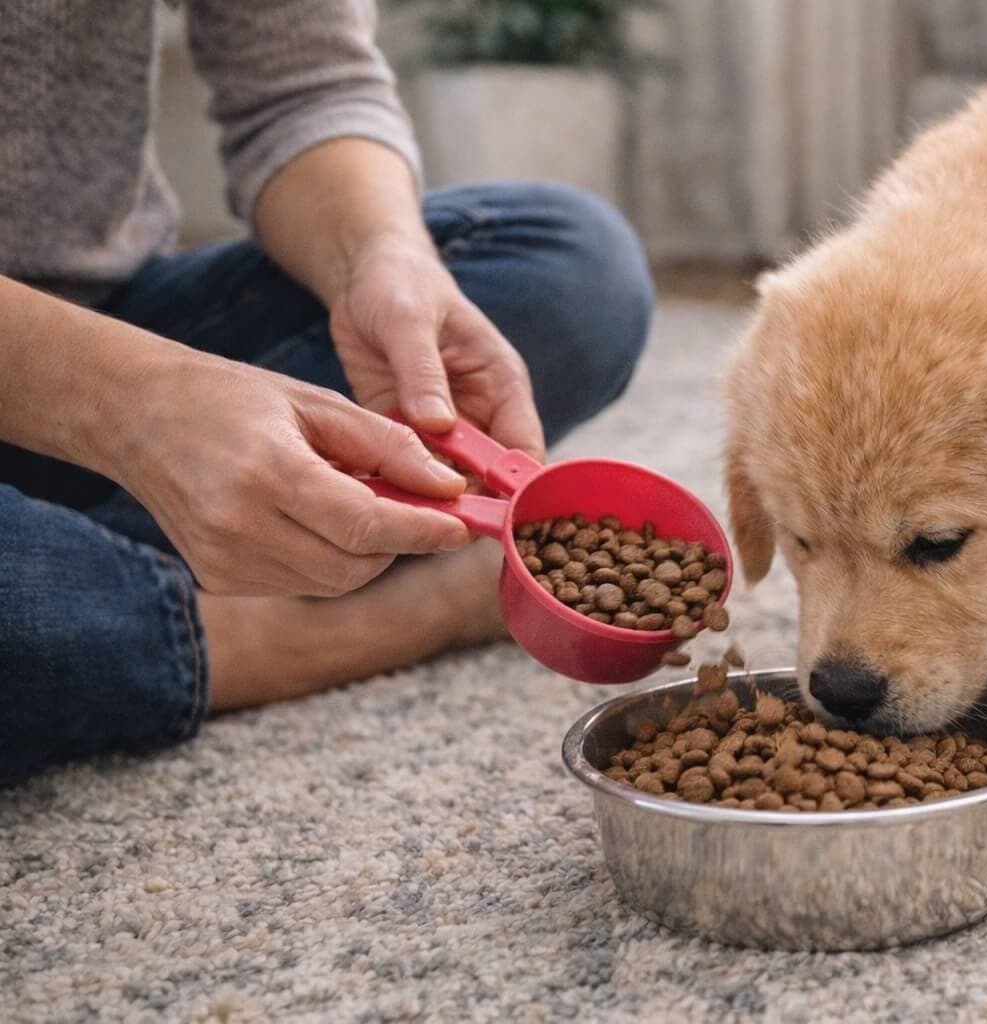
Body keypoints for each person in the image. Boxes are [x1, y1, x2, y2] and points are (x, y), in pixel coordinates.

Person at [0, 2, 653, 786]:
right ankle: (291, 626)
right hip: (93, 367)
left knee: (575, 267)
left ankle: (86, 587)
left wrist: (378, 257)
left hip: (107, 308)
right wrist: (135, 406)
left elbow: (302, 85)